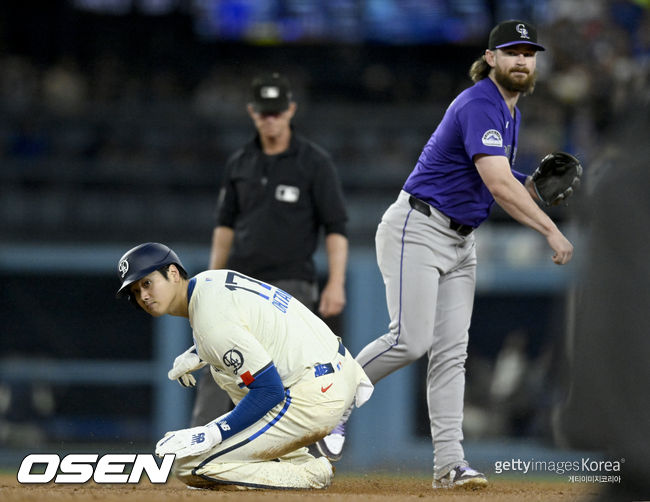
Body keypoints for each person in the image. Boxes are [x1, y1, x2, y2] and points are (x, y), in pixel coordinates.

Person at [316, 20, 574, 489]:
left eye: (528, 53)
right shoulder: (480, 102)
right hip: (419, 227)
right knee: (409, 340)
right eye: (511, 52)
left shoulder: (509, 112)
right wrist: (551, 231)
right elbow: (497, 185)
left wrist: (532, 186)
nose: (521, 60)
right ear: (491, 58)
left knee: (452, 355)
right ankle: (327, 405)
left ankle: (449, 466)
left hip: (461, 240)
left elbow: (496, 177)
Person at [115, 242, 372, 490]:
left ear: (172, 273)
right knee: (222, 371)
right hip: (336, 369)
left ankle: (309, 475)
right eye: (136, 292)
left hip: (314, 394)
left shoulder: (211, 325)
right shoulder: (209, 281)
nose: (144, 296)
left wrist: (212, 433)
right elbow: (248, 327)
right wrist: (201, 352)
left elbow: (269, 391)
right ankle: (293, 459)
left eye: (147, 283)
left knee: (189, 466)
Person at [190, 71, 349, 427]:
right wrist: (210, 283)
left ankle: (296, 451)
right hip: (240, 282)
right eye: (264, 112)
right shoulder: (240, 162)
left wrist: (335, 282)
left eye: (277, 111)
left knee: (289, 369)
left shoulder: (314, 162)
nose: (271, 119)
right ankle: (196, 447)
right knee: (221, 359)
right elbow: (224, 226)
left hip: (290, 284)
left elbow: (335, 227)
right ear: (252, 112)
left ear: (291, 110)